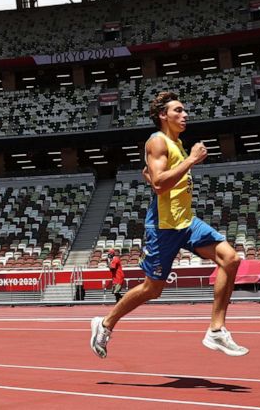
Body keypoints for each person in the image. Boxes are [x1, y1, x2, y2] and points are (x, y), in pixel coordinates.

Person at [90, 91, 248, 358]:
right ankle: (105, 324)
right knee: (153, 289)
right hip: (163, 227)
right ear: (163, 115)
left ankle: (216, 330)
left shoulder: (177, 143)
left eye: (184, 110)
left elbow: (158, 183)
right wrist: (191, 161)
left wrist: (157, 178)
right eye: (178, 110)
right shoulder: (158, 142)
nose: (184, 115)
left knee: (230, 259)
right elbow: (162, 184)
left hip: (186, 221)